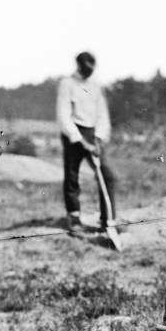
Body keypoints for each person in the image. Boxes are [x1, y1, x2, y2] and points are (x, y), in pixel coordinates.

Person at [56, 51, 116, 233]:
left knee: (107, 176)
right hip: (73, 133)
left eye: (93, 68)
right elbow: (63, 115)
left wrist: (97, 139)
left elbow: (102, 114)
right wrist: (81, 141)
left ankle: (108, 220)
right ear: (79, 66)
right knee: (72, 177)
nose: (90, 72)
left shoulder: (96, 86)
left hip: (93, 133)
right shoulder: (67, 84)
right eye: (87, 68)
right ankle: (74, 218)